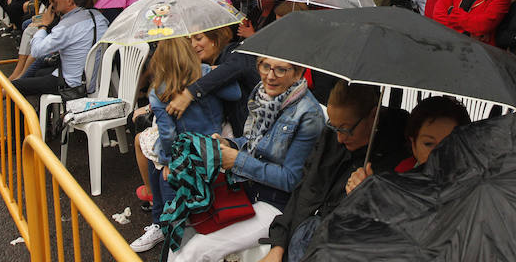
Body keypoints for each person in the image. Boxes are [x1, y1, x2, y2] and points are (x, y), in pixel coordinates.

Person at [170, 58, 325, 261]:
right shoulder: (264, 94)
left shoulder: (309, 115)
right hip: (247, 189)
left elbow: (290, 180)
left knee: (197, 250)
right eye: (265, 66)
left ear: (298, 73)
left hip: (277, 206)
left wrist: (237, 161)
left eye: (280, 69)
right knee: (182, 228)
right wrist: (229, 144)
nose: (270, 75)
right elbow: (257, 143)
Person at [259, 82, 409, 262]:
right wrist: (278, 246)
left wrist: (369, 197)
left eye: (346, 129)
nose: (339, 138)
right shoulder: (330, 137)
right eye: (334, 126)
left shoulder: (395, 158)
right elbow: (302, 190)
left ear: (373, 116)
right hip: (298, 240)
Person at [129, 37, 241, 253]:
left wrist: (167, 160)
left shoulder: (159, 90)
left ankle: (164, 225)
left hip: (187, 151)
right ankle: (164, 223)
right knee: (153, 149)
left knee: (156, 158)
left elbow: (168, 134)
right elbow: (235, 93)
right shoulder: (207, 73)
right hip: (214, 144)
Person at [345, 95, 471, 193]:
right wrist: (366, 196)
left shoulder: (474, 188)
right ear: (413, 144)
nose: (438, 153)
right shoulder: (401, 174)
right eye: (428, 143)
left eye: (448, 144)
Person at [10, 0, 109, 96]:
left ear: (70, 1)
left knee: (14, 87)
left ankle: (29, 113)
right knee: (39, 73)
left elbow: (36, 51)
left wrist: (44, 25)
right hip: (96, 80)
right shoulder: (98, 16)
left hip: (73, 83)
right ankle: (47, 112)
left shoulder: (67, 26)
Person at [166, 27, 261, 137]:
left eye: (198, 38)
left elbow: (236, 66)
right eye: (189, 41)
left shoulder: (236, 51)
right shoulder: (204, 67)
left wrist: (190, 93)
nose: (193, 45)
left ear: (214, 38)